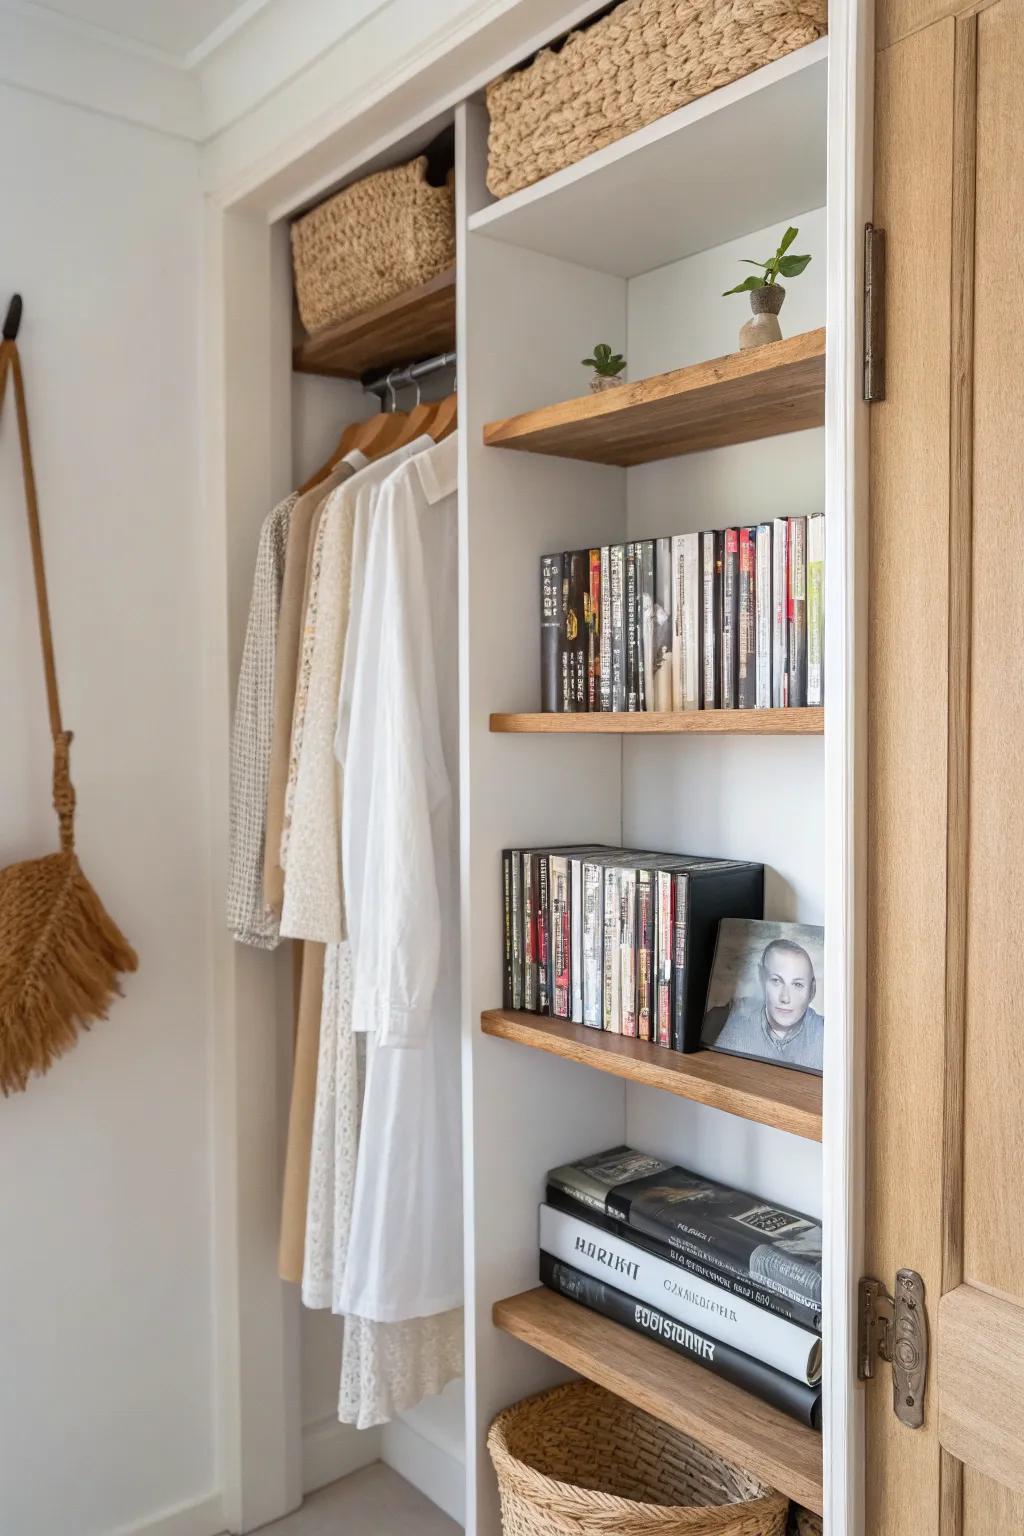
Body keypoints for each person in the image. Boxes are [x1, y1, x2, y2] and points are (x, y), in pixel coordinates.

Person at [703, 937, 824, 1073]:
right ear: (762, 978)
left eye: (797, 985)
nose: (785, 998)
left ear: (812, 990)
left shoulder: (827, 1035)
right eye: (776, 981)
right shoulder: (730, 1016)